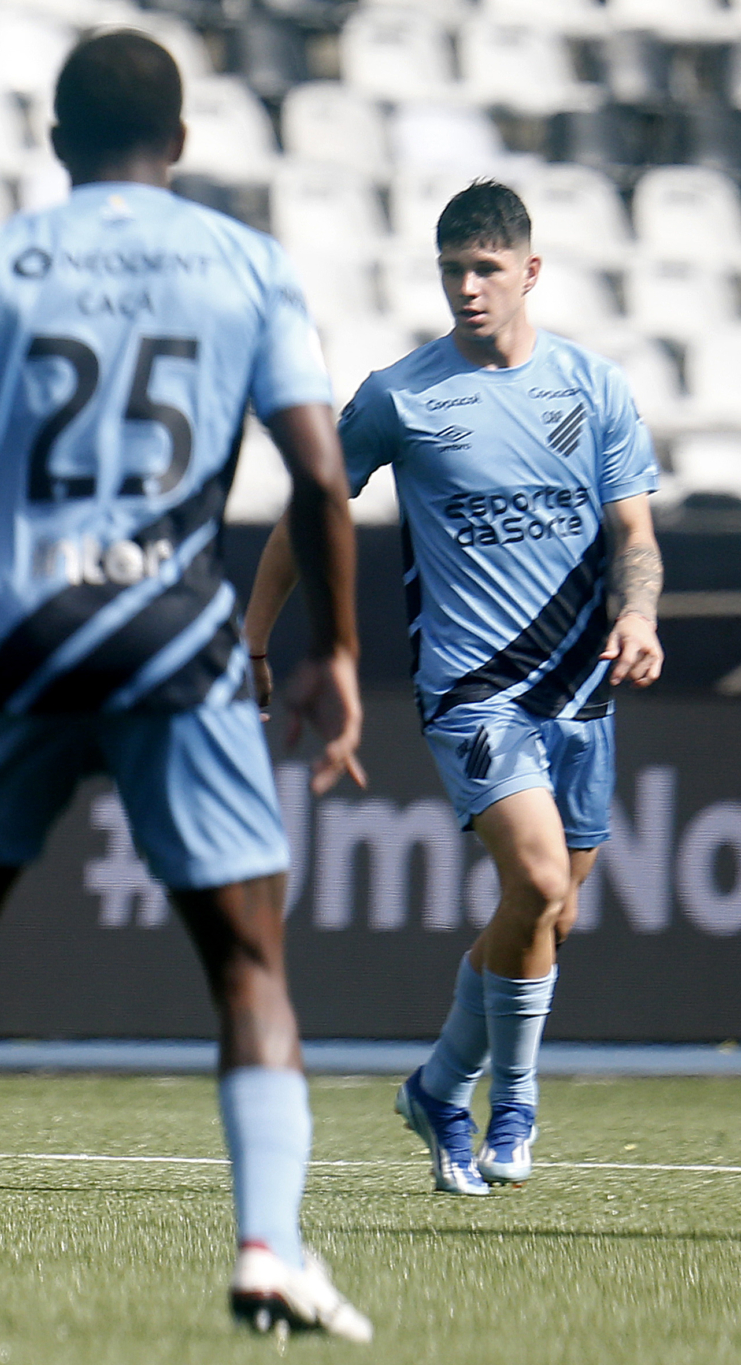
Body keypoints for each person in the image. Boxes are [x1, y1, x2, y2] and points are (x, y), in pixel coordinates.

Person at [0, 32, 373, 1340]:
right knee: (248, 965)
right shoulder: (248, 265)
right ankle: (268, 1245)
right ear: (181, 143)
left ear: (54, 139)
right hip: (175, 638)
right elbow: (323, 477)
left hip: (23, 638)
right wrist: (333, 650)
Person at [244, 181, 663, 1197]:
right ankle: (511, 1104)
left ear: (528, 271)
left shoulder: (594, 389)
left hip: (580, 691)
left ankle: (437, 1087)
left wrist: (637, 612)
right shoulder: (400, 394)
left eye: (484, 269)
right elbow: (311, 512)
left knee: (544, 921)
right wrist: (251, 635)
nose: (466, 289)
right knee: (537, 886)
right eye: (450, 271)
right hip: (473, 694)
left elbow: (633, 539)